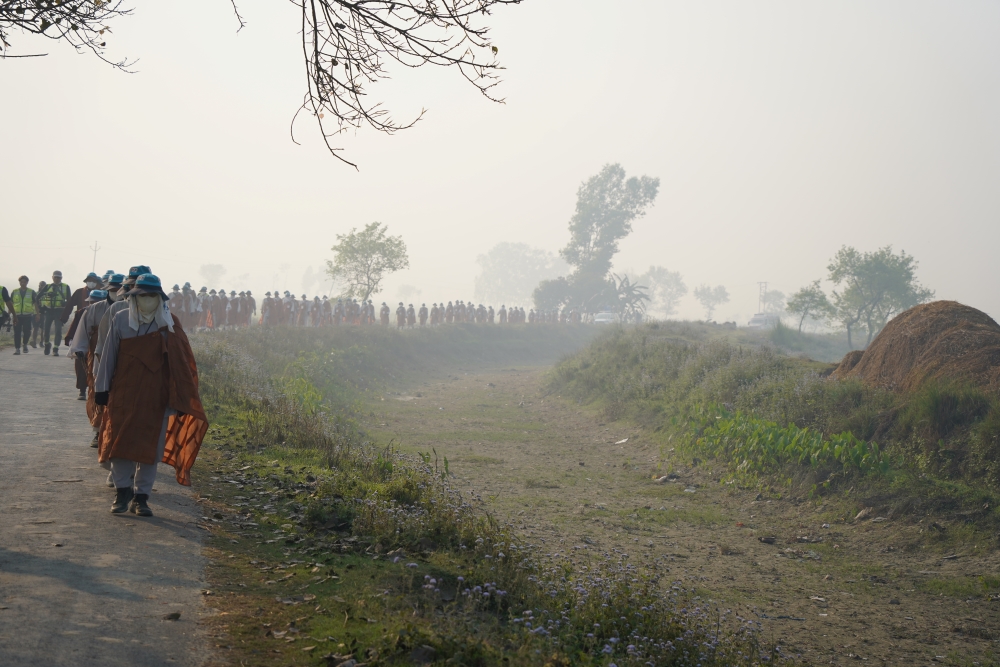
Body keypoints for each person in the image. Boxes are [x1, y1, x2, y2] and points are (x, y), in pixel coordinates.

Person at [94, 273, 208, 517]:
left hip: (155, 396)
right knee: (119, 444)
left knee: (150, 450)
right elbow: (109, 356)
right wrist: (101, 389)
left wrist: (180, 397)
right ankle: (122, 492)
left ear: (160, 298)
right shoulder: (121, 318)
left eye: (151, 296)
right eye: (142, 295)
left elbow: (180, 364)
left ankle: (142, 497)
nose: (147, 300)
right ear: (134, 297)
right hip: (123, 393)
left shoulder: (169, 323)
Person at [70, 289, 111, 444]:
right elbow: (80, 335)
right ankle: (97, 431)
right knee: (96, 394)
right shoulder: (88, 311)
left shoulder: (124, 310)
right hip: (95, 360)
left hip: (120, 364)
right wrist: (78, 349)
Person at [36, 271, 72, 356]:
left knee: (58, 330)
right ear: (52, 277)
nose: (57, 279)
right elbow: (38, 297)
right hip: (48, 311)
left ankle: (55, 348)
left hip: (59, 311)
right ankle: (47, 344)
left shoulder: (65, 287)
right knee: (46, 330)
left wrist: (65, 304)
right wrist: (41, 307)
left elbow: (70, 300)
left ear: (61, 278)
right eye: (55, 277)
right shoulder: (48, 287)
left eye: (58, 277)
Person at [9, 276, 35, 355]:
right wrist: (9, 314)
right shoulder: (15, 291)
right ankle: (17, 348)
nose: (23, 283)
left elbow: (36, 303)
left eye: (24, 282)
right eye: (21, 282)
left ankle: (25, 344)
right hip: (17, 316)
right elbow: (11, 304)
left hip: (27, 316)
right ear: (19, 282)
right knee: (17, 332)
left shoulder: (31, 292)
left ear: (27, 282)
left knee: (27, 332)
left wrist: (37, 314)